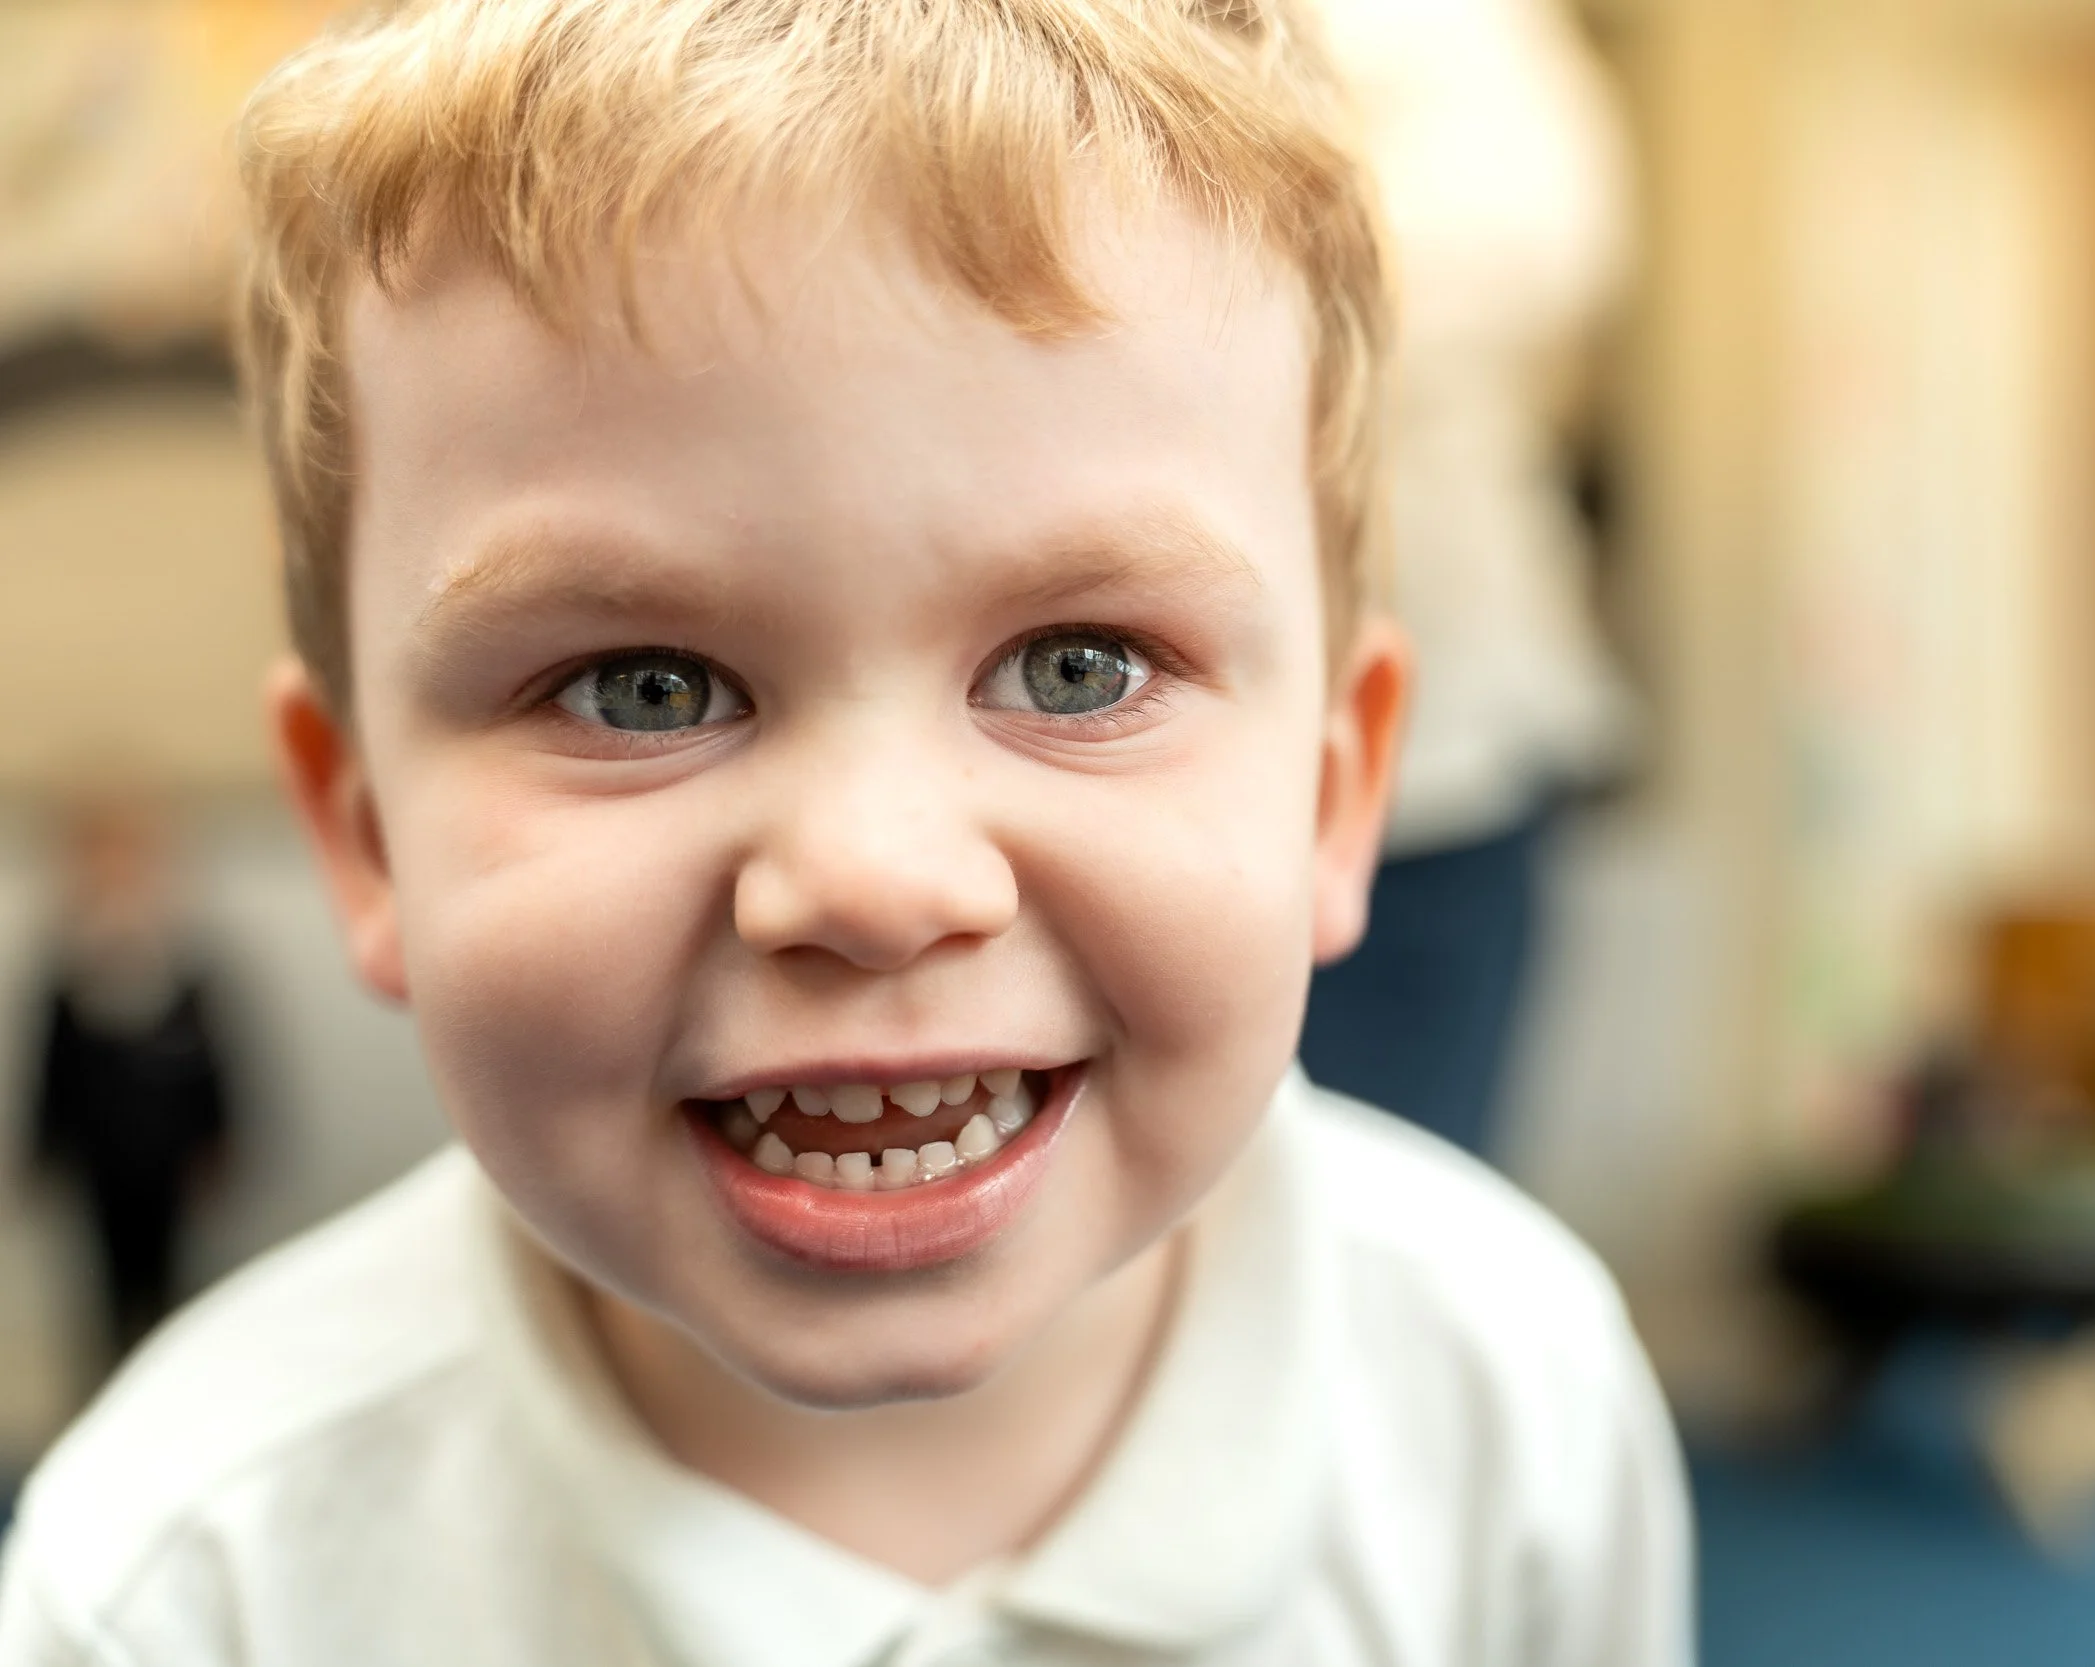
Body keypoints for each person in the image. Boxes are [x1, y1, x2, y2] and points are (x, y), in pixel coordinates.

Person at [0, 2, 1691, 1662]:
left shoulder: (1507, 1405)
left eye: (1078, 666)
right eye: (645, 687)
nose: (877, 882)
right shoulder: (183, 1585)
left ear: (1335, 793)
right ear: (362, 834)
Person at [1296, 0, 1637, 1158]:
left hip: (1441, 783)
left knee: (1406, 1208)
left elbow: (1533, 242)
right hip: (1106, 745)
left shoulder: (1456, 37)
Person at [25, 789, 231, 1365]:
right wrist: (40, 1149)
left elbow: (215, 1062)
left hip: (168, 1152)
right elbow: (51, 1067)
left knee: (170, 1278)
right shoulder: (68, 967)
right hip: (98, 1153)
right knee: (104, 1288)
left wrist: (220, 1135)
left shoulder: (185, 962)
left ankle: (166, 1375)